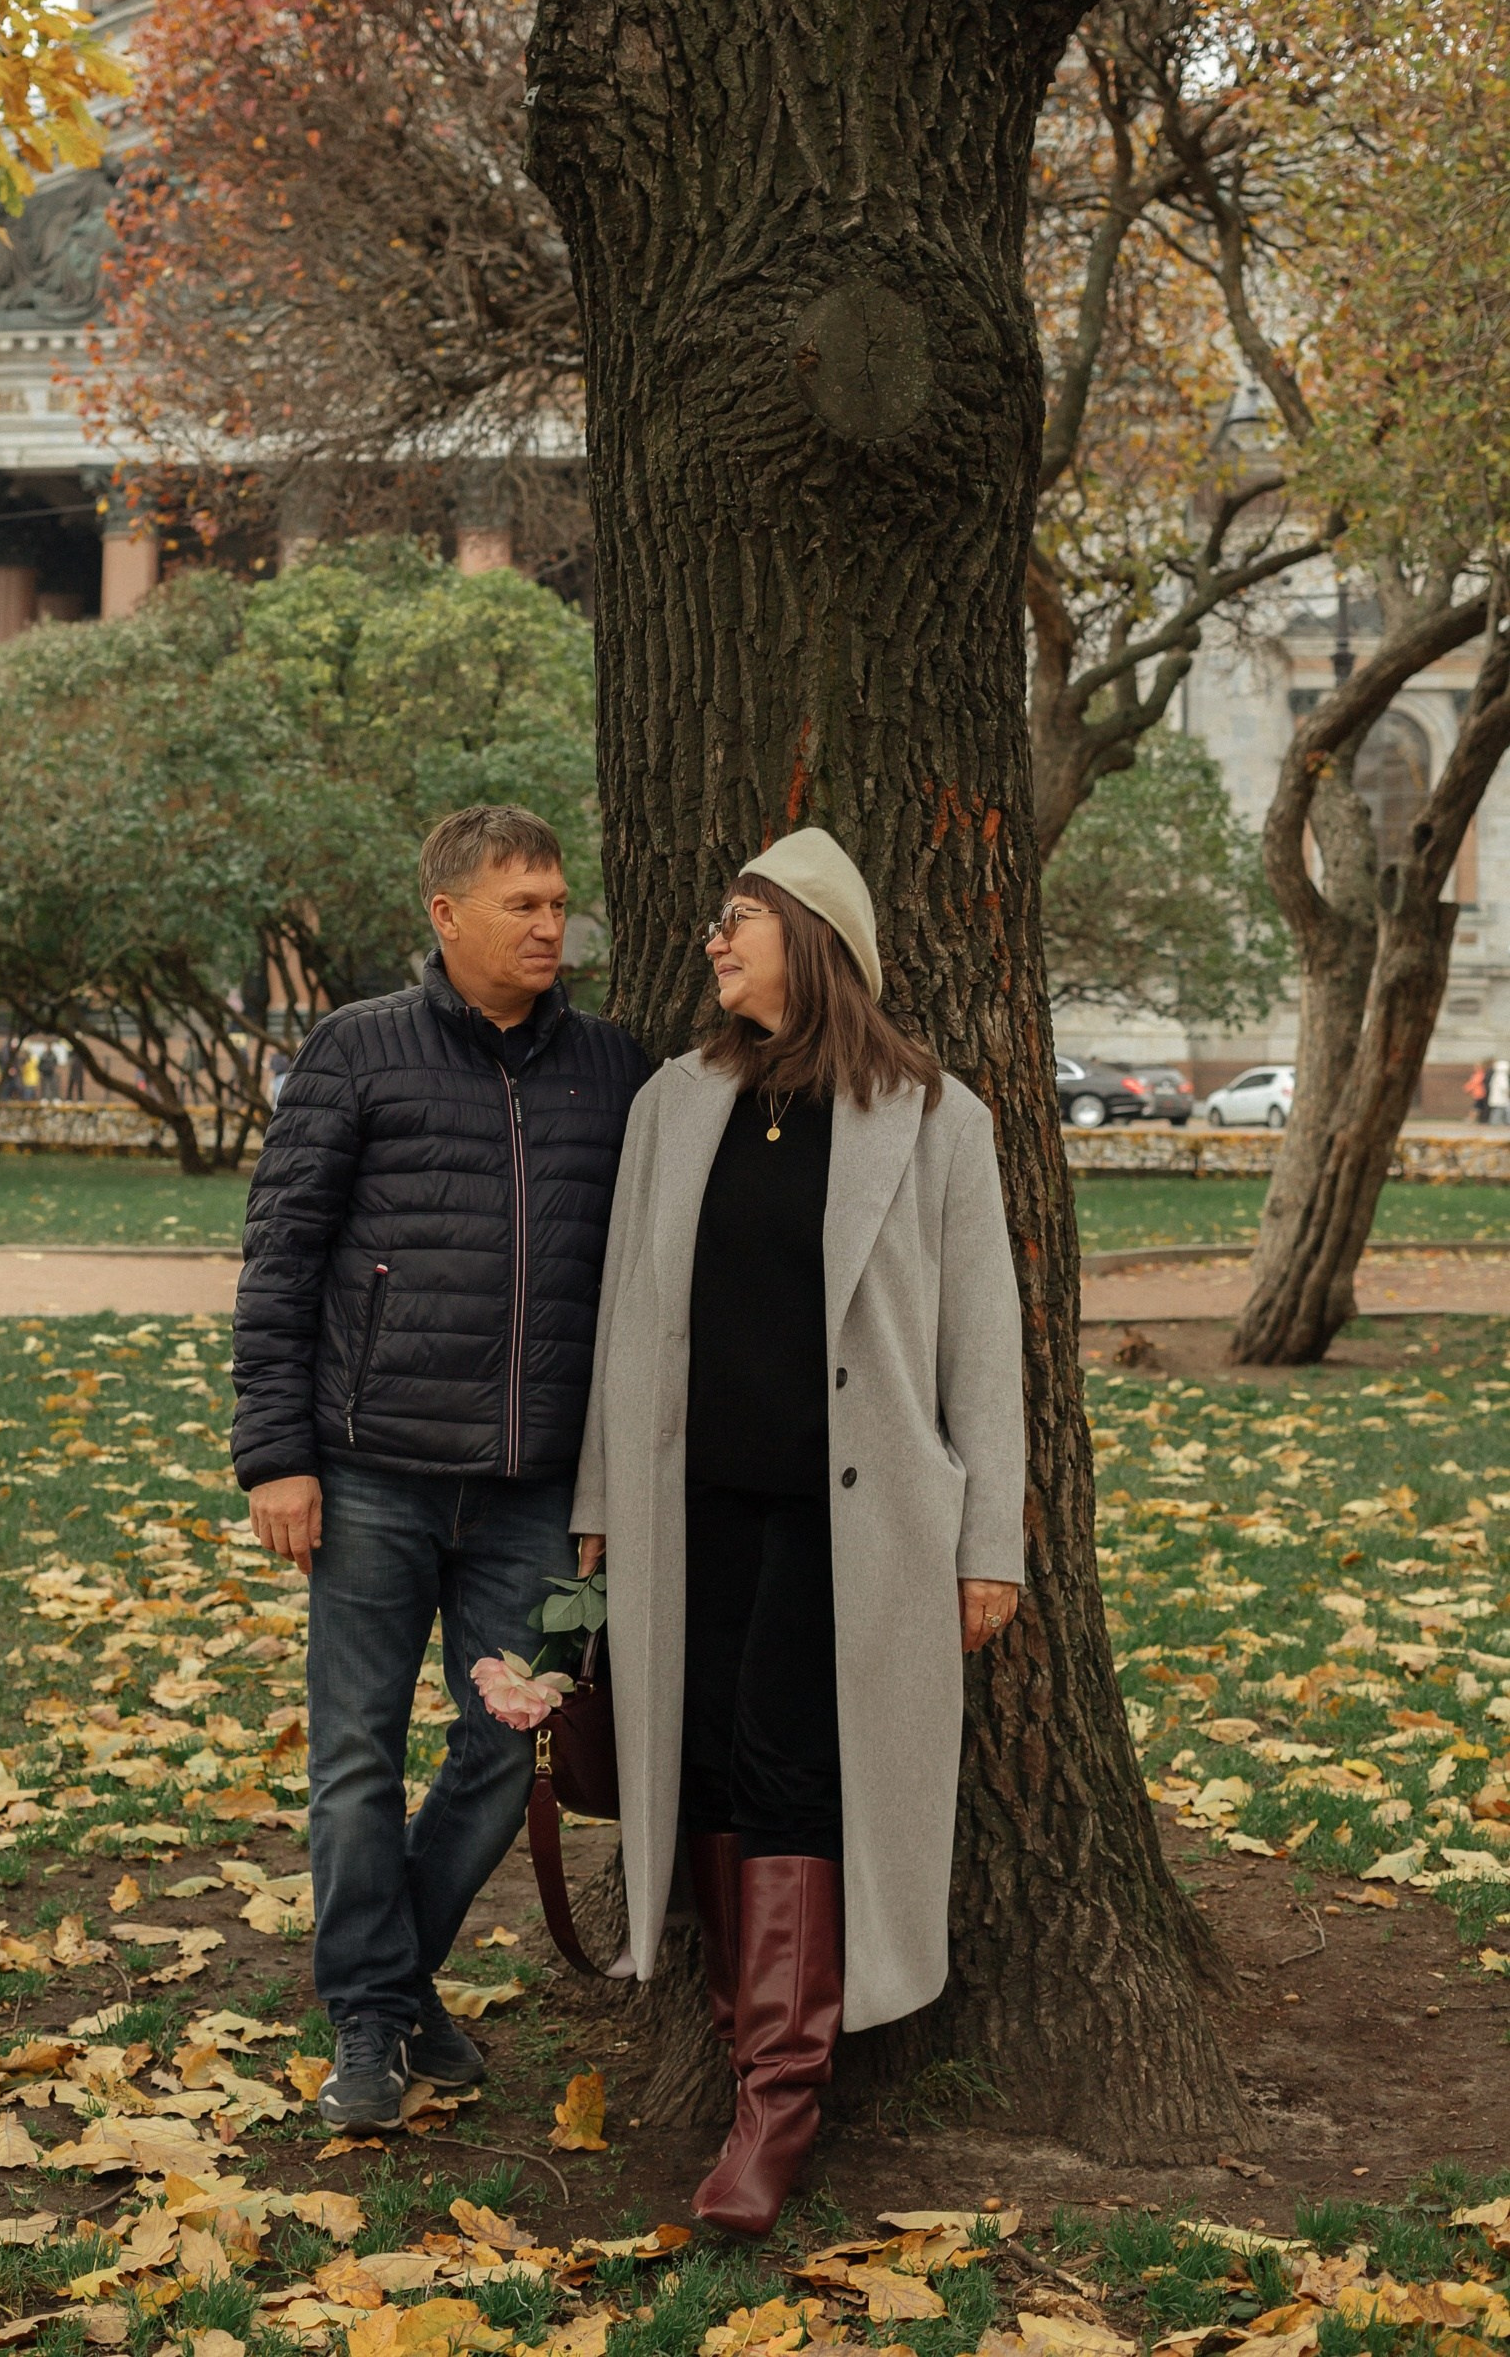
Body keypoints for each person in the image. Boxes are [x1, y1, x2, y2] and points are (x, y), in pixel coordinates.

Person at [570, 828, 1025, 2238]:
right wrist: (598, 1506)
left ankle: (778, 2103)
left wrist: (990, 1543)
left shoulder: (936, 1119)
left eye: (741, 919)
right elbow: (626, 1322)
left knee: (785, 1774)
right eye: (717, 920)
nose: (714, 940)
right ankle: (739, 2055)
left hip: (853, 1525)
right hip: (688, 1508)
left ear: (814, 937)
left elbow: (985, 1349)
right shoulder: (677, 1103)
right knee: (704, 1766)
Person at [230, 805, 652, 2130]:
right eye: (522, 903)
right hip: (370, 1474)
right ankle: (373, 2019)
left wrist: (607, 1489)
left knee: (505, 1752)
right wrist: (276, 1457)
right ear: (446, 914)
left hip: (536, 1490)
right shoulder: (357, 1050)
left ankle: (390, 1986)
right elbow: (282, 1258)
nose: (550, 926)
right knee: (355, 1750)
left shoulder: (612, 1069)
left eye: (559, 903)